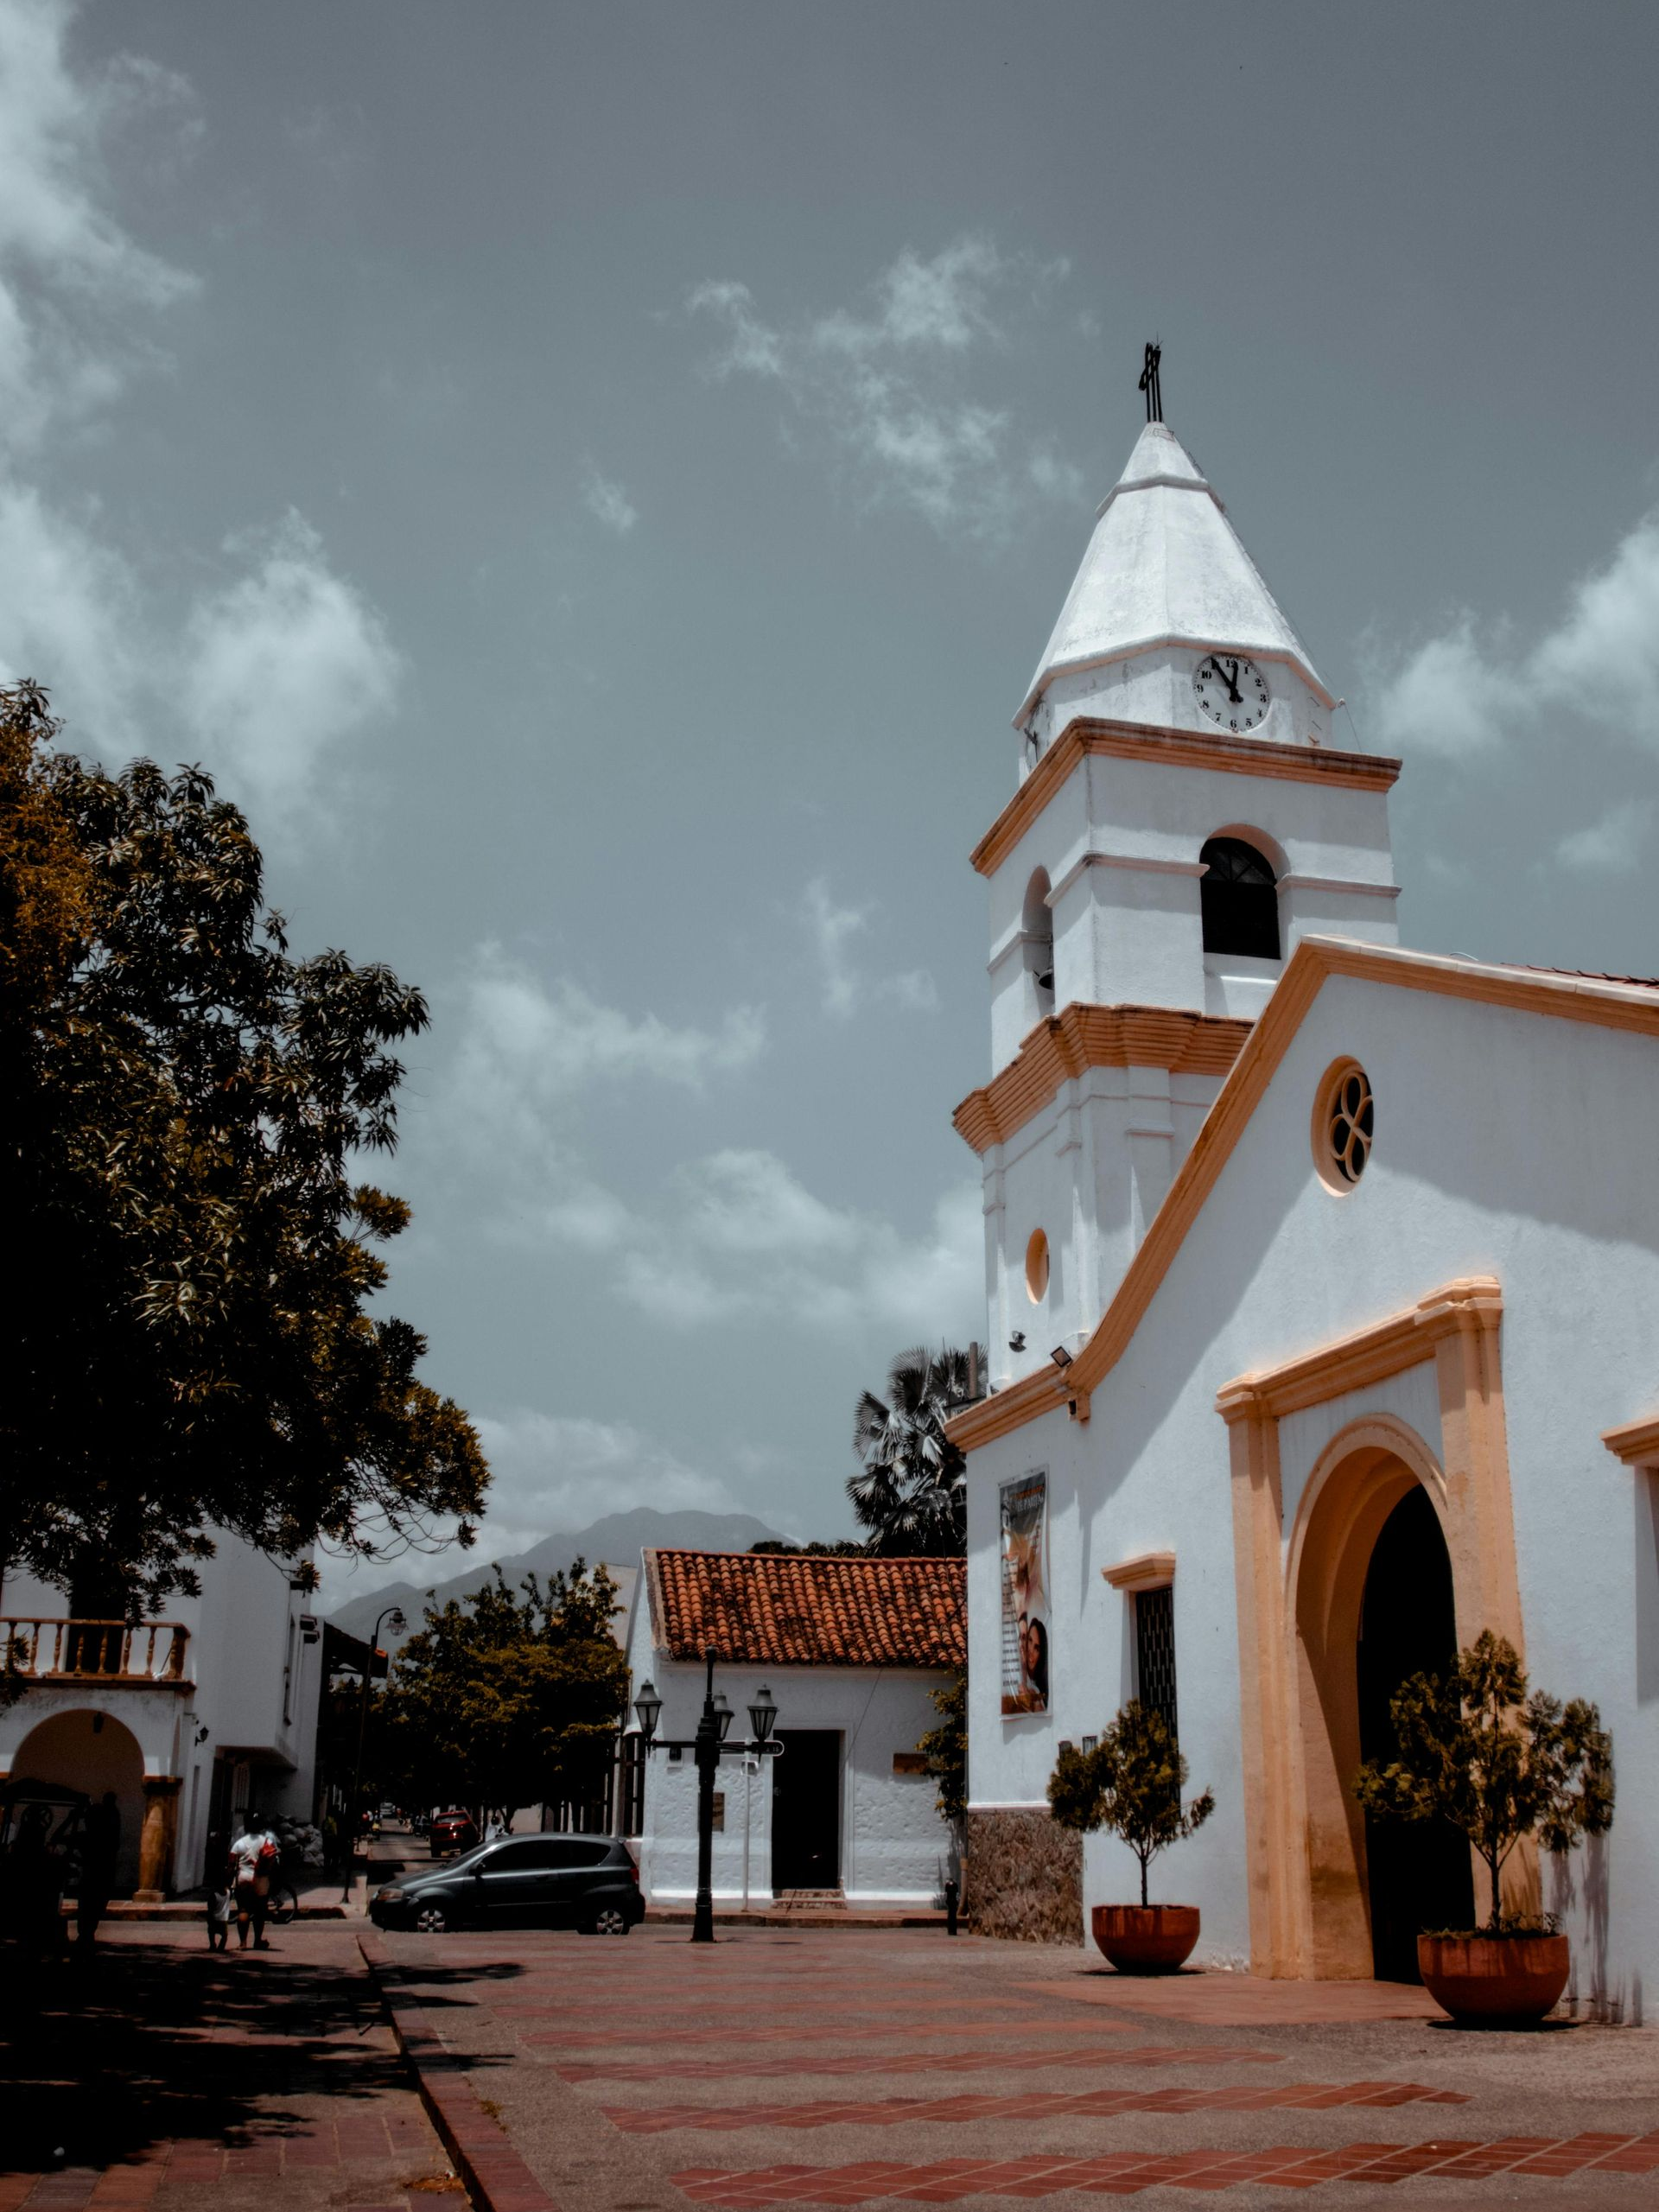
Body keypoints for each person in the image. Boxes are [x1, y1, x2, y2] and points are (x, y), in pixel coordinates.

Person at [228, 1812, 281, 1950]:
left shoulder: (239, 1843)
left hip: (243, 1878)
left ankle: (243, 1942)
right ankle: (257, 1940)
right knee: (260, 1911)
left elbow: (231, 1863)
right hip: (261, 1879)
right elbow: (273, 1861)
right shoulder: (266, 1842)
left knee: (243, 1909)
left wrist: (229, 1880)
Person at [74, 1790, 120, 1948]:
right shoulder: (104, 1839)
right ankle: (87, 1937)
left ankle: (85, 1937)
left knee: (87, 1910)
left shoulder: (91, 1839)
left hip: (92, 1879)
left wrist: (71, 1819)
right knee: (93, 1910)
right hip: (102, 1878)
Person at [203, 1830, 232, 1951]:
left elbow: (210, 1908)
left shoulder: (214, 1895)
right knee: (224, 1935)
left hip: (215, 1919)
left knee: (211, 1932)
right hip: (223, 1920)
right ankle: (220, 1946)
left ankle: (212, 1945)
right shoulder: (228, 1893)